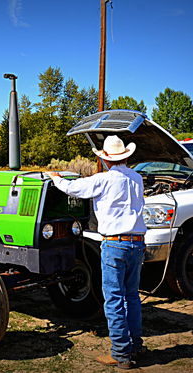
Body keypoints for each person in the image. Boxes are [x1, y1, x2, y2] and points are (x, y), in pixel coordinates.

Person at [46, 135, 147, 370]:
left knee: (113, 299)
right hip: (137, 242)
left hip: (115, 244)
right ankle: (136, 345)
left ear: (105, 159)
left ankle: (121, 354)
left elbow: (74, 188)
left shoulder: (104, 179)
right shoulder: (137, 178)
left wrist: (56, 178)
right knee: (131, 296)